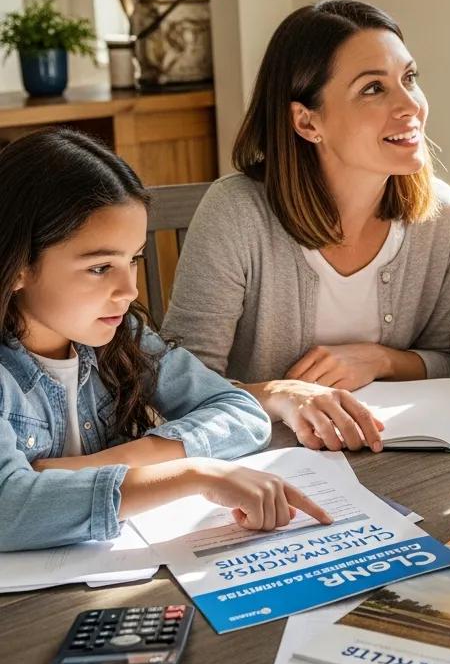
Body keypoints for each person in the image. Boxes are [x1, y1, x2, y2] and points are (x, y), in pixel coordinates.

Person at [0, 130, 331, 552]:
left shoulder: (123, 335)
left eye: (133, 259)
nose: (129, 291)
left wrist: (103, 465)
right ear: (18, 267)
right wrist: (195, 474)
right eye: (100, 268)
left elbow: (241, 412)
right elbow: (8, 508)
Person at [162, 0, 450, 452]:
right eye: (373, 89)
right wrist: (278, 394)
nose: (411, 106)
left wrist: (380, 360)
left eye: (409, 78)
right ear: (306, 121)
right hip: (265, 465)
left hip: (389, 458)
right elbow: (178, 388)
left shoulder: (439, 212)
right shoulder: (236, 213)